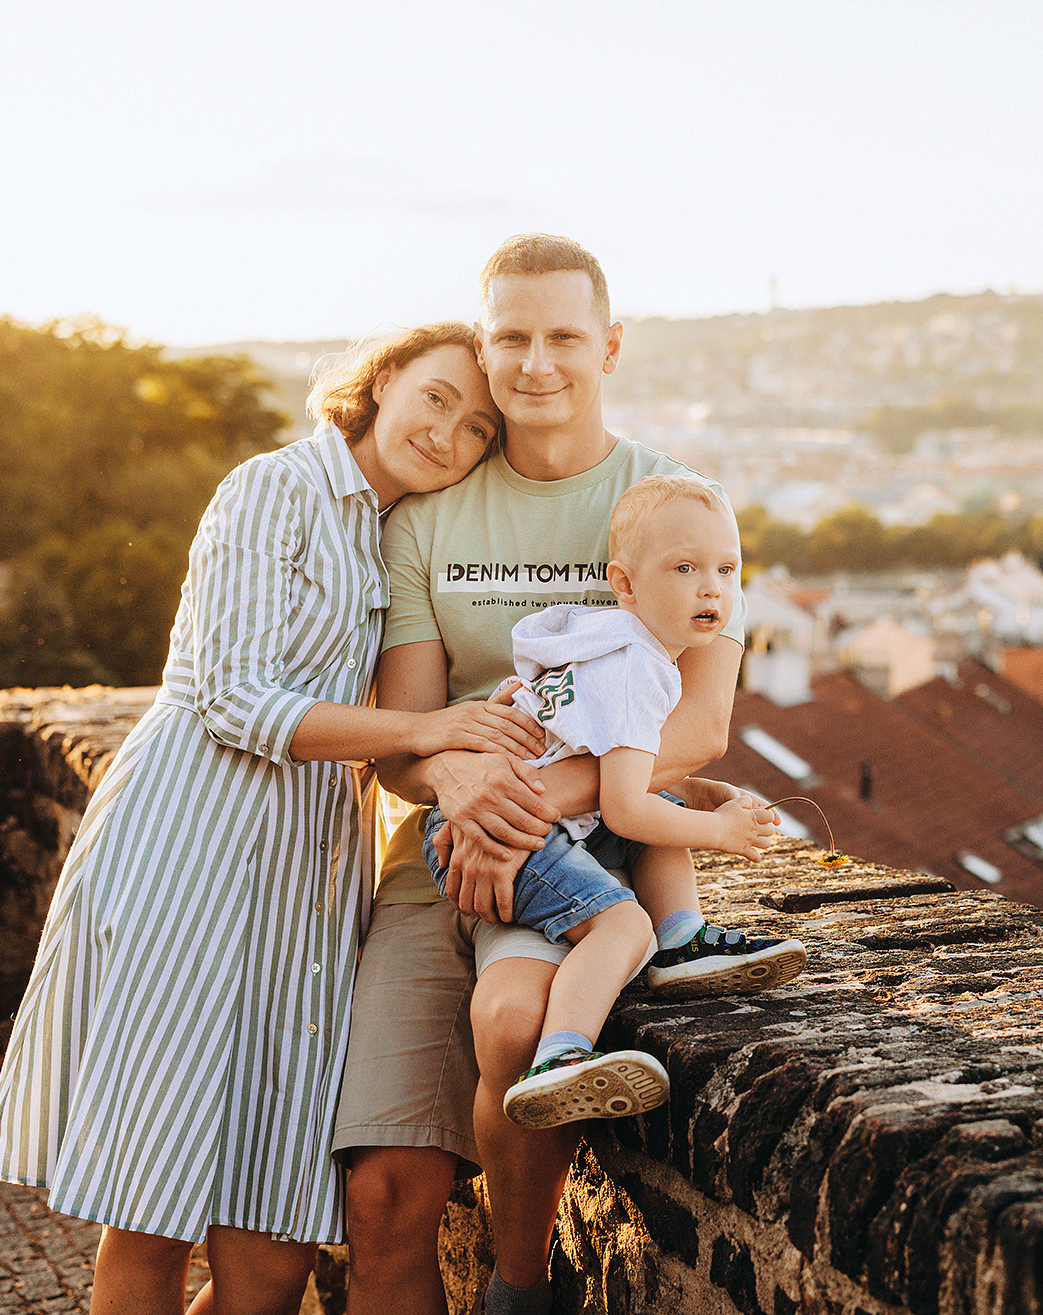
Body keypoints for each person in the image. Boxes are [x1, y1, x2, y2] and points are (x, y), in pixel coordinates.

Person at [0, 324, 545, 1315]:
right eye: (438, 396)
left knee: (274, 1250)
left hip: (303, 885)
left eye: (477, 425)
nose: (449, 429)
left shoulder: (393, 538)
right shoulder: (273, 487)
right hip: (190, 852)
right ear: (382, 383)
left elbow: (386, 734)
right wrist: (424, 723)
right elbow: (232, 697)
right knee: (149, 1213)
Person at [332, 235, 782, 1315]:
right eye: (512, 338)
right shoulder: (425, 518)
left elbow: (701, 724)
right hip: (439, 857)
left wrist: (528, 804)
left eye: (564, 336)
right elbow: (402, 737)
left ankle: (517, 1288)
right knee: (385, 1198)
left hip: (596, 847)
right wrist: (462, 797)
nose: (537, 362)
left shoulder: (676, 499)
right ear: (484, 350)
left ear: (609, 346)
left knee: (513, 1025)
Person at [424, 475, 794, 1132]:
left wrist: (692, 796)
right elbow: (624, 810)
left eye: (726, 569)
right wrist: (719, 829)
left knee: (663, 802)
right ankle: (559, 1056)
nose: (711, 587)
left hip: (516, 809)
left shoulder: (607, 638)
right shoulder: (638, 667)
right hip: (505, 827)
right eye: (684, 567)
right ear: (624, 582)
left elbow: (619, 774)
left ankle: (683, 941)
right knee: (624, 928)